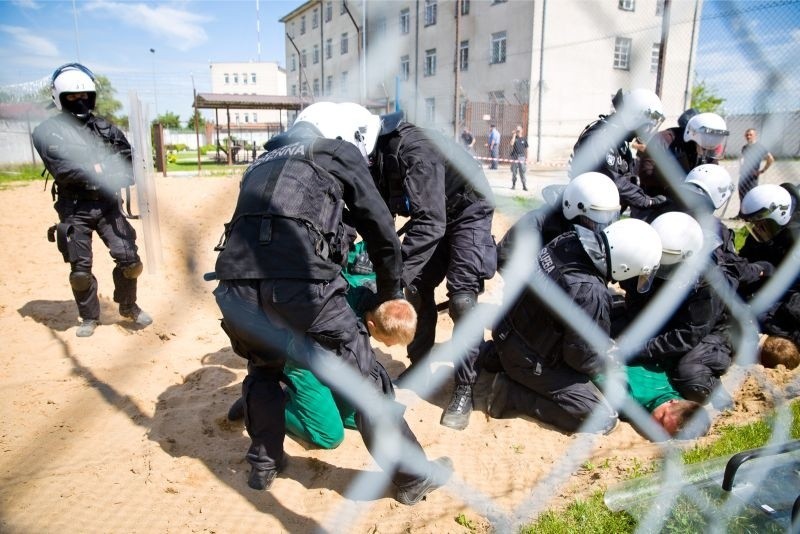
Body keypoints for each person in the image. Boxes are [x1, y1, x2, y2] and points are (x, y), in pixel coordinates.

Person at [212, 102, 451, 504]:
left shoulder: (261, 161)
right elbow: (378, 227)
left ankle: (264, 463)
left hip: (235, 287)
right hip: (302, 287)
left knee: (263, 371)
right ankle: (412, 477)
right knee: (367, 381)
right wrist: (389, 291)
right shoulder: (334, 153)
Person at [350, 104, 497, 431]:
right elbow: (380, 214)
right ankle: (421, 365)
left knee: (462, 299)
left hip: (468, 210)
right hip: (435, 216)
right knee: (415, 287)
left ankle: (465, 387)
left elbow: (430, 222)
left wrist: (390, 278)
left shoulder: (414, 150)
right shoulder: (375, 158)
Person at [227, 242, 418, 450]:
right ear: (371, 324)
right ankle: (262, 405)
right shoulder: (339, 312)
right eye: (386, 341)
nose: (389, 346)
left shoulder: (382, 294)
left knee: (357, 416)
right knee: (329, 436)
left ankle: (304, 400)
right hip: (301, 358)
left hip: (332, 359)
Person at [484, 218, 663, 434]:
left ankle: (492, 357)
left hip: (508, 330)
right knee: (604, 419)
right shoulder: (590, 291)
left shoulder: (567, 242)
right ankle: (511, 395)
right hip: (529, 360)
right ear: (626, 265)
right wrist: (607, 356)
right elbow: (580, 359)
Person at [31, 63, 152, 338]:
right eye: (72, 97)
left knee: (130, 261)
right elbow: (64, 170)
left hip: (109, 204)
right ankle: (89, 317)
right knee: (80, 270)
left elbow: (131, 165)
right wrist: (102, 167)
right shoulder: (47, 132)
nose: (80, 100)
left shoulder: (105, 129)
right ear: (59, 98)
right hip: (75, 209)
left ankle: (128, 306)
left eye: (85, 95)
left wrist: (99, 169)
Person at [617, 212, 736, 405]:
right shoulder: (650, 253)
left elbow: (689, 334)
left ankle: (718, 394)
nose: (662, 268)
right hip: (667, 319)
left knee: (691, 376)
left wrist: (638, 348)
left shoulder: (708, 280)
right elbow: (635, 303)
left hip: (712, 330)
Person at [568, 88, 669, 214]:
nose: (647, 130)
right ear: (635, 118)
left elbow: (627, 179)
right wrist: (646, 201)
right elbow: (612, 180)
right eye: (647, 125)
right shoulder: (600, 137)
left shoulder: (621, 141)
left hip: (600, 211)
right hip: (584, 213)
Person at [496, 172, 620, 271]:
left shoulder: (593, 230)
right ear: (572, 209)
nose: (600, 226)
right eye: (594, 219)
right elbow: (503, 258)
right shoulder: (535, 224)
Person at [738, 183, 800, 349]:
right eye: (753, 225)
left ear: (779, 215)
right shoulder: (762, 234)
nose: (757, 229)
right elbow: (745, 260)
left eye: (761, 224)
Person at [598, 361, 711, 439]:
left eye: (665, 434)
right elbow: (596, 375)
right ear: (672, 401)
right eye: (662, 420)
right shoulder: (627, 400)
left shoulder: (677, 397)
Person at [635, 110, 729, 203]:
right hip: (656, 200)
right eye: (704, 149)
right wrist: (680, 180)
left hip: (690, 203)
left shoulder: (708, 148)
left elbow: (712, 171)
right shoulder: (664, 140)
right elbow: (645, 174)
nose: (706, 152)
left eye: (710, 150)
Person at [738, 128, 774, 204]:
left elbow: (770, 159)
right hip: (743, 175)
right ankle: (742, 213)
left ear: (755, 136)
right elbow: (742, 158)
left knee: (751, 196)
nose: (748, 136)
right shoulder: (745, 147)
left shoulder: (759, 147)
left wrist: (762, 170)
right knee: (741, 194)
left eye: (750, 135)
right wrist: (741, 166)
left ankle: (750, 214)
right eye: (747, 135)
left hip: (752, 176)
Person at [509, 125, 529, 191]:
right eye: (517, 130)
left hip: (521, 157)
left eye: (519, 130)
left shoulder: (524, 139)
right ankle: (513, 185)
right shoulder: (515, 138)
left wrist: (527, 158)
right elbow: (511, 144)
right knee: (514, 172)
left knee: (522, 172)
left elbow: (526, 149)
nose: (518, 131)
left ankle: (524, 186)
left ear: (521, 131)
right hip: (515, 157)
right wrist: (514, 135)